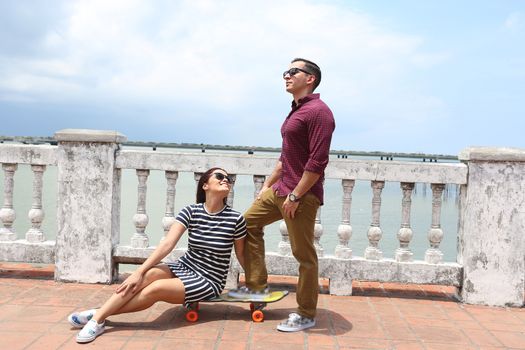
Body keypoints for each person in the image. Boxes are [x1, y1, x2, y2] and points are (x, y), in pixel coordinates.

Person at [67, 167, 246, 343]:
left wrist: (255, 281)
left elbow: (241, 254)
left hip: (209, 279)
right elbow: (167, 244)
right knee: (149, 274)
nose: (226, 179)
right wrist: (138, 272)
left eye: (228, 178)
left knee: (156, 288)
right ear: (205, 185)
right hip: (186, 266)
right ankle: (98, 317)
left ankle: (97, 317)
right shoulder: (191, 211)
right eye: (220, 176)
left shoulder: (236, 219)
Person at [229, 58, 335, 332]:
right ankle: (257, 287)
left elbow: (317, 161)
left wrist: (297, 195)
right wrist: (267, 185)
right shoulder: (296, 110)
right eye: (285, 72)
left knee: (304, 256)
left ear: (309, 78)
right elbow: (286, 156)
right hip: (280, 190)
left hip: (301, 195)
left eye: (292, 72)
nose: (285, 76)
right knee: (245, 224)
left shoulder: (319, 112)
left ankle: (306, 313)